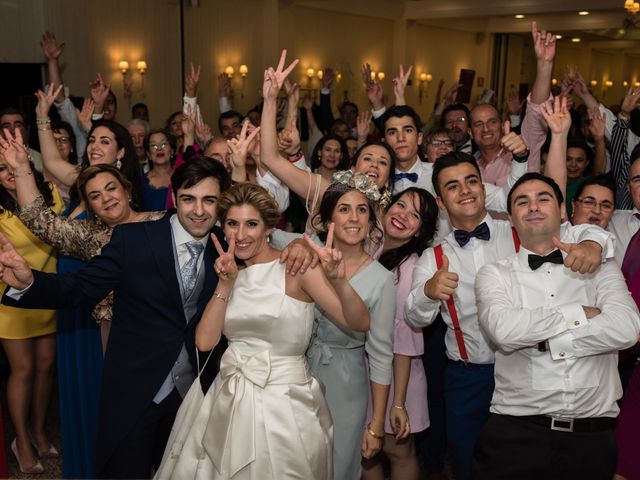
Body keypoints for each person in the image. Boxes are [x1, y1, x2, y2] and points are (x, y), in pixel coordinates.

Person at [0, 156, 232, 478]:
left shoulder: (227, 245)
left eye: (209, 200)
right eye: (188, 199)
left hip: (195, 392)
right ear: (174, 197)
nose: (198, 210)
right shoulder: (135, 238)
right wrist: (29, 281)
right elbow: (81, 287)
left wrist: (299, 249)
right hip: (136, 390)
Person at [404, 153, 613, 480]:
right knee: (466, 460)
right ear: (441, 201)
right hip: (468, 377)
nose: (465, 190)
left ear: (484, 188)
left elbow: (583, 232)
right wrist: (429, 293)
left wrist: (595, 245)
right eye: (453, 186)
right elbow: (414, 317)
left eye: (472, 181)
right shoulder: (434, 256)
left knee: (526, 463)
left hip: (529, 366)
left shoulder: (520, 228)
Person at [155, 182, 370, 479]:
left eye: (251, 224)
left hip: (286, 402)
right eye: (232, 224)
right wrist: (226, 283)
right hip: (228, 396)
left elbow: (359, 323)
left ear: (269, 227)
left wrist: (339, 280)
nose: (240, 235)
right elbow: (205, 342)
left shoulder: (297, 268)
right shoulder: (228, 272)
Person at [472, 172, 640, 480]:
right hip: (515, 433)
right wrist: (581, 313)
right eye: (523, 202)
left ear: (562, 211)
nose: (533, 206)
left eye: (543, 198)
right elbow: (504, 331)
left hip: (592, 438)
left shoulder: (601, 265)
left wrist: (544, 341)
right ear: (511, 218)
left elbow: (628, 329)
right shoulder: (494, 274)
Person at [362, 187, 438, 480]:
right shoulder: (369, 245)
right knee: (366, 451)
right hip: (364, 369)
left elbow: (404, 340)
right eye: (400, 205)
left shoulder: (410, 268)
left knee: (398, 452)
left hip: (397, 376)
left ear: (421, 231)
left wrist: (398, 402)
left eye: (415, 215)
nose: (403, 215)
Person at [0, 132, 63, 475]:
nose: (6, 171)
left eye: (9, 163)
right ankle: (21, 440)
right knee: (22, 369)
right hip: (10, 300)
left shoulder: (48, 194)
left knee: (45, 366)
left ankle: (39, 431)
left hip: (49, 292)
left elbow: (60, 234)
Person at [142, 129, 175, 211]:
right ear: (149, 154)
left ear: (172, 151)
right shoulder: (139, 183)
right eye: (154, 146)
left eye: (163, 144)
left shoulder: (183, 176)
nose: (159, 148)